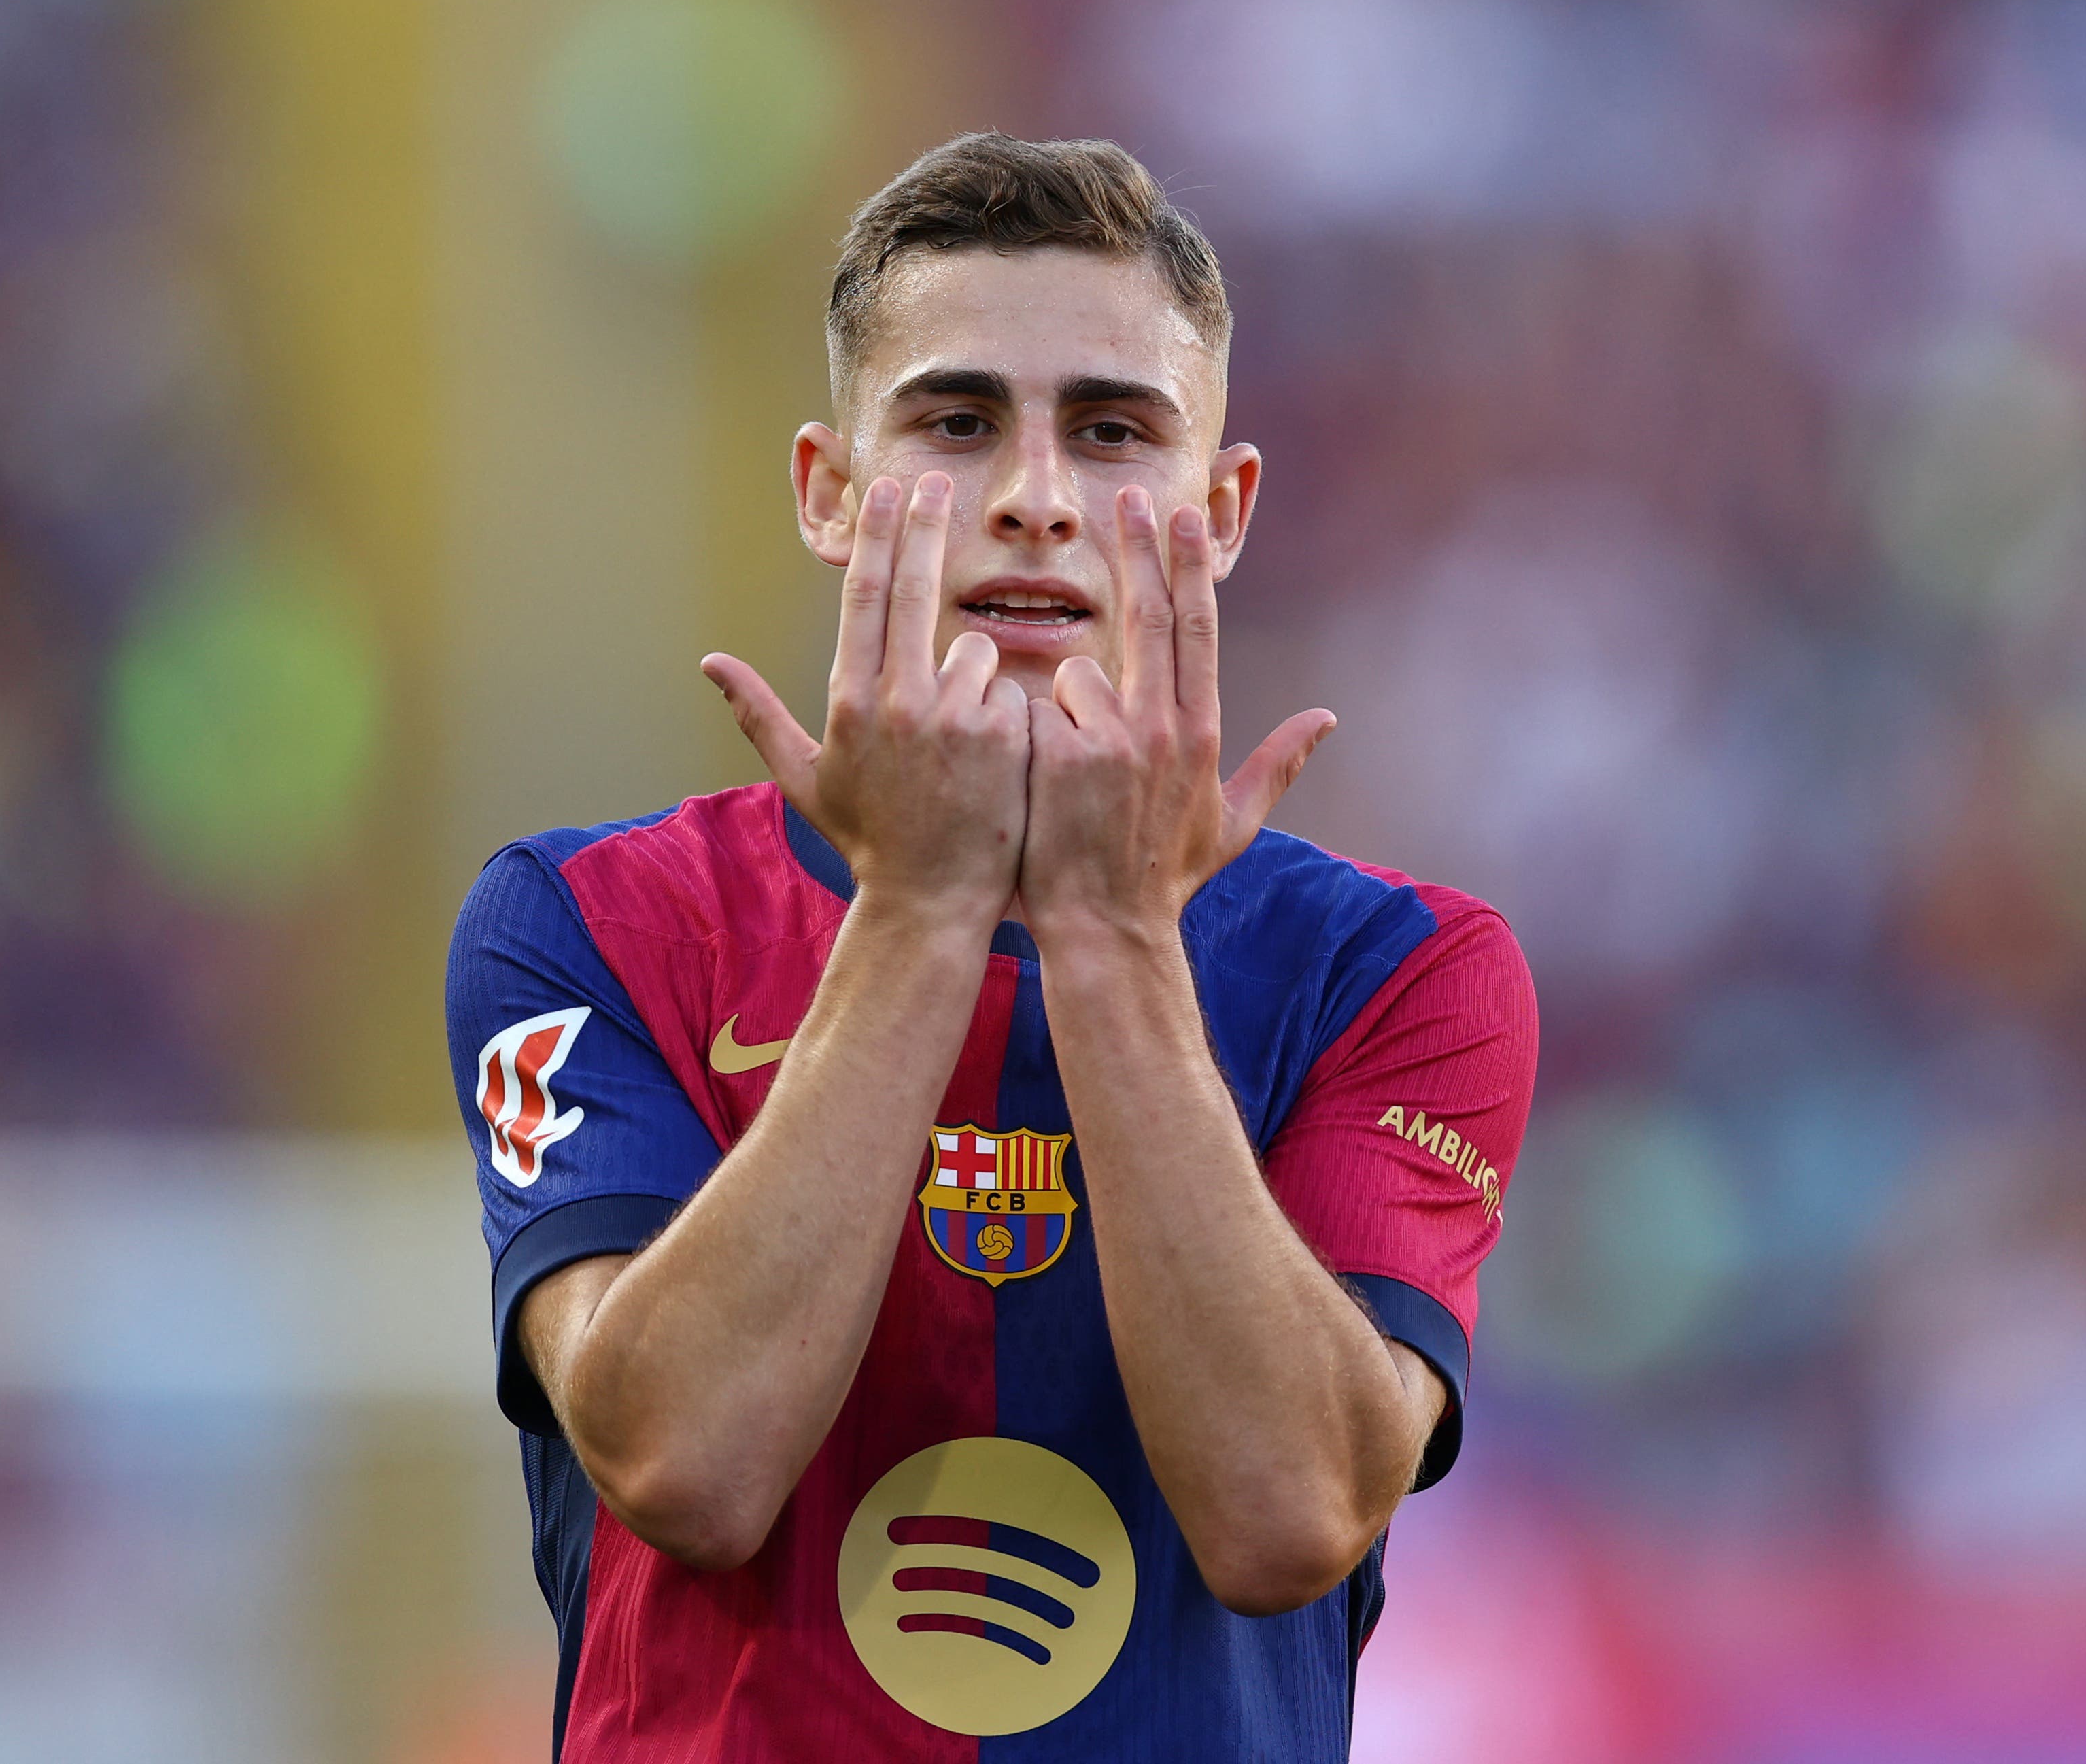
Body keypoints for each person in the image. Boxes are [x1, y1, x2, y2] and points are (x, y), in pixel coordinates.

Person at [445, 133, 1537, 1763]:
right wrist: (921, 908)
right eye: (958, 423)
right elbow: (685, 1466)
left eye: (1113, 432)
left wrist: (1107, 932)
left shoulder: (1400, 971)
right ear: (830, 492)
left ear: (1220, 510)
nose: (1034, 496)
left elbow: (1290, 1514)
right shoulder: (588, 919)